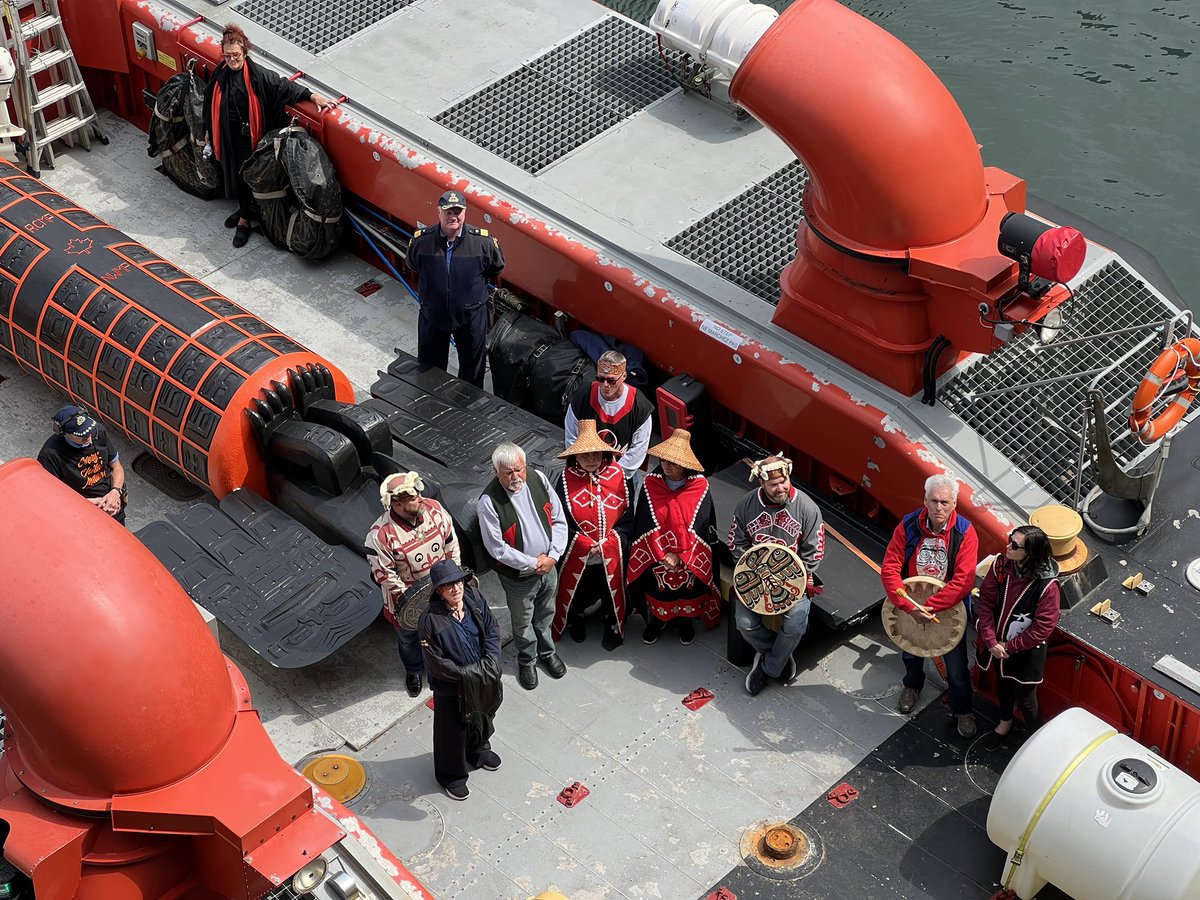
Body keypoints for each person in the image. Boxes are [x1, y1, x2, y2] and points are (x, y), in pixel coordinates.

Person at [203, 23, 336, 248]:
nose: (232, 60)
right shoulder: (221, 73)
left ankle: (244, 221)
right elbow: (208, 102)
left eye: (236, 55)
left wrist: (313, 96)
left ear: (245, 52)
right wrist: (207, 131)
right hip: (227, 137)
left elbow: (284, 87)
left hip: (250, 140)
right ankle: (245, 209)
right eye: (227, 56)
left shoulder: (257, 75)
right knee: (234, 175)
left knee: (247, 178)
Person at [880, 474, 979, 738]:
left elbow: (964, 580)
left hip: (948, 610)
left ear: (955, 503)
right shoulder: (908, 525)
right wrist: (907, 605)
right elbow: (890, 567)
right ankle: (912, 686)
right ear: (924, 499)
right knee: (910, 651)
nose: (938, 508)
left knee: (957, 667)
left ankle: (962, 709)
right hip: (911, 605)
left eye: (945, 502)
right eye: (933, 501)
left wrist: (931, 606)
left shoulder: (965, 532)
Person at [729, 454, 825, 696]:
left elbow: (815, 549)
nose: (780, 487)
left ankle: (769, 667)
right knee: (744, 624)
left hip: (794, 579)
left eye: (784, 481)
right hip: (755, 579)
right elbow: (735, 542)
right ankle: (779, 655)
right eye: (773, 484)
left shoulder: (807, 507)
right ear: (761, 484)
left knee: (795, 624)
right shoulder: (745, 506)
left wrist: (798, 574)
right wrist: (755, 571)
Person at [477, 443, 568, 690]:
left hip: (549, 566)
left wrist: (554, 555)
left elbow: (559, 519)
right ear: (496, 472)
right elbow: (497, 548)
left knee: (546, 613)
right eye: (508, 473)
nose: (516, 476)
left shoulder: (538, 479)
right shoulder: (488, 502)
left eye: (519, 470)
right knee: (523, 621)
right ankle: (527, 660)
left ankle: (547, 653)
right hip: (519, 576)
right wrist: (533, 563)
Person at [365, 471, 461, 698]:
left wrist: (453, 577)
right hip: (406, 601)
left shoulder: (435, 509)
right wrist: (415, 600)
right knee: (409, 639)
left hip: (441, 589)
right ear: (396, 504)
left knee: (443, 630)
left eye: (418, 492)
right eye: (412, 496)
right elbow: (384, 575)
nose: (420, 497)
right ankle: (414, 670)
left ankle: (443, 664)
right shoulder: (380, 536)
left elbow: (451, 544)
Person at [418, 560, 503, 801]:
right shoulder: (429, 621)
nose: (456, 588)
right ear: (439, 591)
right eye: (448, 585)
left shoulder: (474, 598)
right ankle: (451, 774)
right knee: (451, 732)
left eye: (458, 582)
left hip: (482, 678)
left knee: (481, 718)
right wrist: (469, 675)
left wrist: (492, 663)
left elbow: (492, 629)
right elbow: (436, 663)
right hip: (451, 688)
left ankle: (478, 752)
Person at [627, 428, 720, 644]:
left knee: (689, 590)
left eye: (673, 463)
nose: (667, 467)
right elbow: (645, 523)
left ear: (685, 465)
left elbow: (702, 526)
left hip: (688, 556)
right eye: (664, 461)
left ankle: (685, 621)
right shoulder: (651, 484)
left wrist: (680, 555)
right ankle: (658, 620)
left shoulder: (700, 487)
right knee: (658, 589)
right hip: (656, 554)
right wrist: (663, 554)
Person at [404, 190, 505, 388]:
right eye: (448, 212)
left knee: (472, 370)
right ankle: (431, 402)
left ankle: (468, 408)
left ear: (465, 213)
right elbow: (412, 264)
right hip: (433, 315)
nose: (453, 217)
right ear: (438, 212)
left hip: (471, 317)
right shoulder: (421, 241)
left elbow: (496, 266)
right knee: (429, 370)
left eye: (457, 212)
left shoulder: (483, 243)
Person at [976, 525, 1062, 750]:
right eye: (1009, 540)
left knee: (1026, 699)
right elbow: (985, 601)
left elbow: (1043, 627)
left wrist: (1009, 646)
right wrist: (991, 640)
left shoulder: (1048, 586)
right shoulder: (1001, 566)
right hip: (997, 646)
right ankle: (1005, 723)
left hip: (1025, 653)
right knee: (1002, 687)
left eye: (1015, 545)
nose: (1008, 547)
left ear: (1030, 553)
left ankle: (1036, 739)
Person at [553, 419, 635, 652]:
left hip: (612, 552)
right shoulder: (565, 481)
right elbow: (560, 522)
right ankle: (577, 617)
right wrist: (583, 545)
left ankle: (612, 621)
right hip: (581, 553)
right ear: (575, 456)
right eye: (585, 455)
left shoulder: (619, 476)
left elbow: (628, 517)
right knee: (579, 590)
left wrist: (612, 541)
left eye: (596, 454)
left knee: (611, 590)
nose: (591, 459)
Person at [564, 350, 654, 477]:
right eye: (600, 379)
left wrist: (612, 476)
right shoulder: (581, 397)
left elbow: (638, 450)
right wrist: (585, 467)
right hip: (584, 470)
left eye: (611, 380)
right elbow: (571, 438)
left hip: (620, 474)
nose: (605, 385)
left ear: (623, 376)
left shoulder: (640, 406)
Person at [37, 406, 127, 525]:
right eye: (83, 435)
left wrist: (115, 492)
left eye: (89, 430)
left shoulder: (98, 431)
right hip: (82, 515)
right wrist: (89, 503)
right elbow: (50, 498)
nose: (89, 436)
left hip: (113, 504)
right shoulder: (50, 454)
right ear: (64, 433)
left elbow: (117, 467)